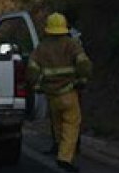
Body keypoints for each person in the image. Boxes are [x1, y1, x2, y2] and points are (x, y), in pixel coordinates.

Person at [27, 13, 92, 173]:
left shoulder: (41, 48)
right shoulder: (72, 44)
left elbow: (32, 70)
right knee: (71, 124)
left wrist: (35, 85)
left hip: (51, 94)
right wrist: (82, 80)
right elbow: (84, 64)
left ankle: (57, 145)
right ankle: (65, 158)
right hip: (69, 92)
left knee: (57, 123)